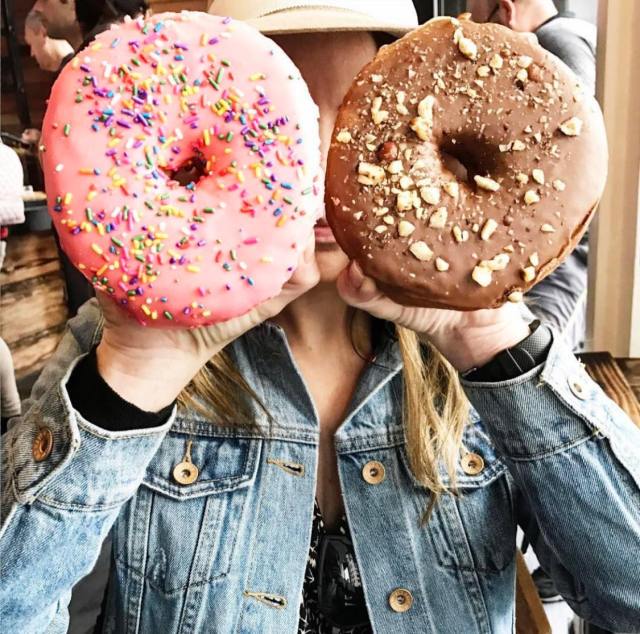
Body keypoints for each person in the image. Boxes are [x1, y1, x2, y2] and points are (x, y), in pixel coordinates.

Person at [2, 1, 639, 633]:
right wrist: (137, 376)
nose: (323, 166)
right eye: (282, 118)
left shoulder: (481, 360)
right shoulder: (119, 347)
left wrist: (489, 341)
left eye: (364, 110)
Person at [467, 0, 597, 351]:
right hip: (554, 245)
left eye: (482, 28)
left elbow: (568, 159)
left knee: (541, 350)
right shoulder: (578, 32)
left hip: (566, 254)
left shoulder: (555, 47)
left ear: (505, 11)